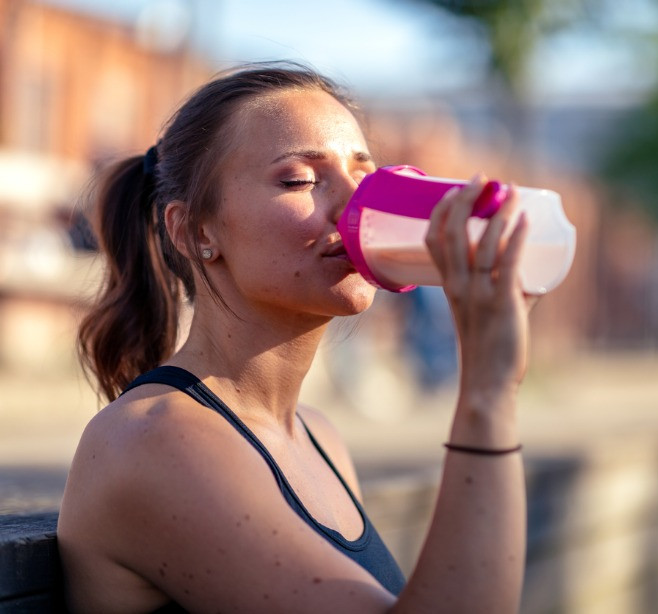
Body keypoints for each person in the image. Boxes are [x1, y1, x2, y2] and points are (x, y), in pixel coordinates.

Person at [57, 62, 535, 613]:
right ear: (193, 231)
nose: (359, 206)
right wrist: (487, 393)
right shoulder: (152, 441)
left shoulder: (318, 439)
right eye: (300, 180)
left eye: (366, 176)